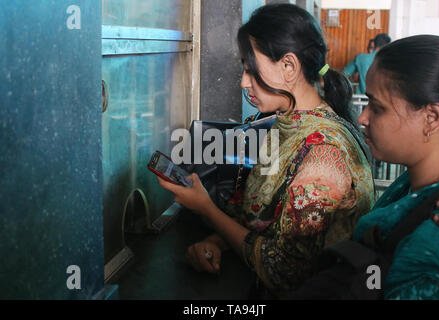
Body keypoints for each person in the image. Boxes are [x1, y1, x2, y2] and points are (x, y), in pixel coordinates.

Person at [157, 4, 374, 298]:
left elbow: (284, 273)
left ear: (288, 66)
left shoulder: (325, 152)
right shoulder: (284, 126)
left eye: (251, 68)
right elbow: (260, 218)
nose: (244, 81)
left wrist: (206, 208)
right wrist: (217, 241)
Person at [354, 35, 439, 299]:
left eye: (377, 107)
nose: (362, 117)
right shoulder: (411, 184)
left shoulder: (435, 242)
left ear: (431, 118)